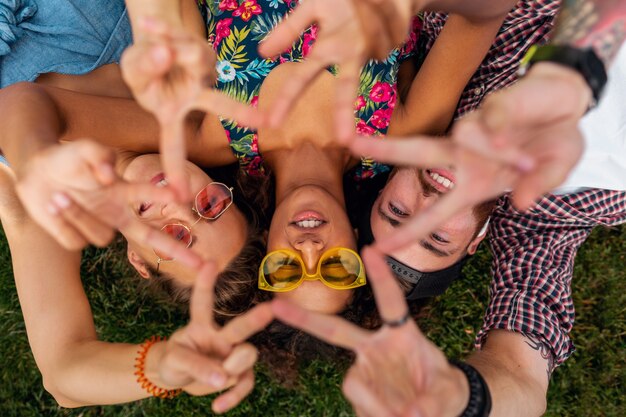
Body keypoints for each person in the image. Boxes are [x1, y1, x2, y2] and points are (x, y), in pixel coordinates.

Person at [0, 160, 274, 412]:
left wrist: (160, 366)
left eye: (176, 239)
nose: (176, 206)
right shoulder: (195, 126)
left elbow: (61, 374)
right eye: (209, 206)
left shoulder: (48, 211)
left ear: (139, 261)